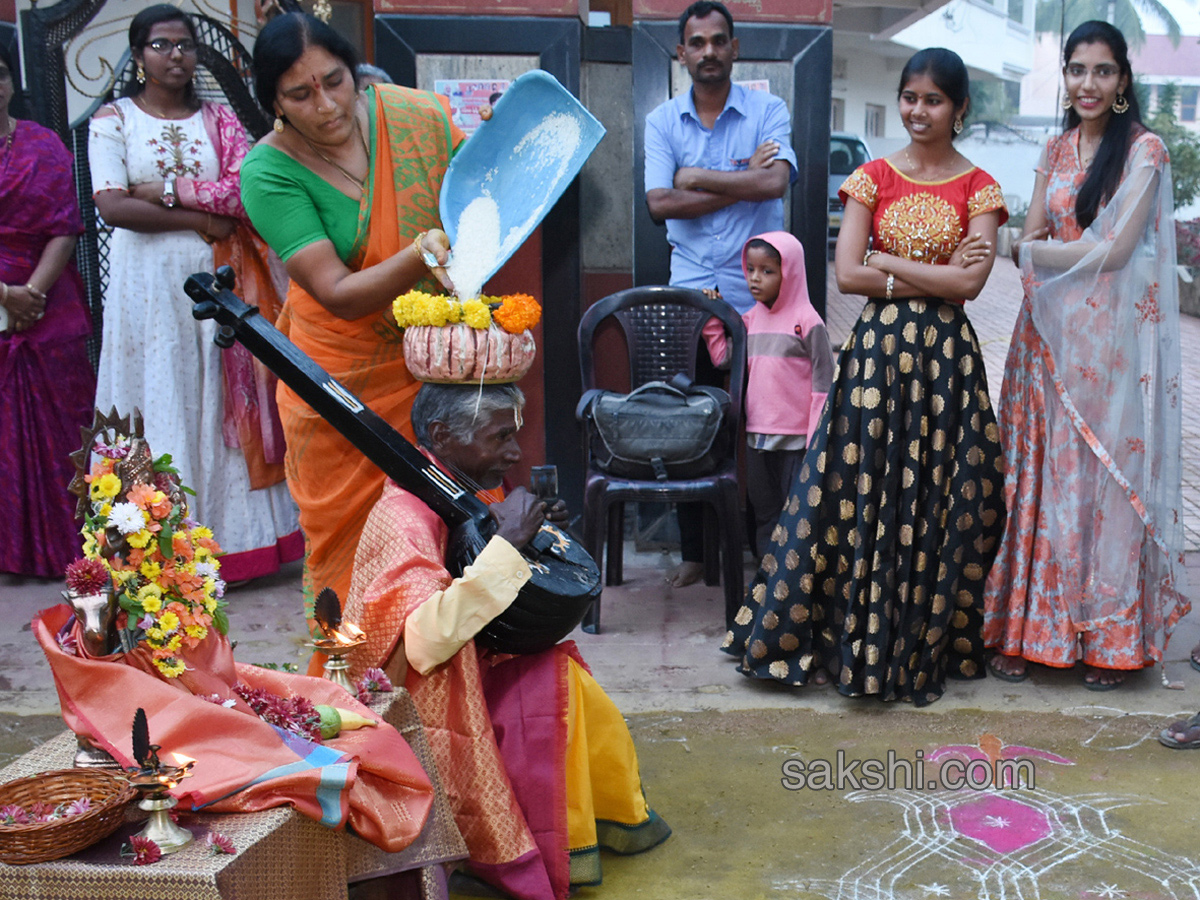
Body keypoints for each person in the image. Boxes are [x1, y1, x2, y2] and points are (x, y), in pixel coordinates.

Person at [722, 47, 1008, 706]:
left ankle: (916, 641)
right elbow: (846, 273)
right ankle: (847, 639)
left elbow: (970, 283)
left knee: (940, 498)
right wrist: (926, 274)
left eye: (933, 100)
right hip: (876, 362)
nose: (917, 110)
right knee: (856, 493)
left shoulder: (980, 188)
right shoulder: (872, 177)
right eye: (910, 97)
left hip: (945, 367)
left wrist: (887, 259)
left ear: (959, 109)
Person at [342, 383, 671, 900]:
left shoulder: (454, 485)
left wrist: (538, 539)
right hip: (417, 704)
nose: (515, 452)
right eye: (500, 437)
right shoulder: (405, 515)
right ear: (442, 435)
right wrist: (506, 546)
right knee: (548, 694)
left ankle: (593, 825)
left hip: (467, 666)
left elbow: (470, 572)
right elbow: (422, 645)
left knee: (564, 680)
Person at [983, 21, 1188, 691]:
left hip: (1106, 351)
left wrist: (1030, 250)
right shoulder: (1055, 146)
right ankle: (1028, 632)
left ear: (1122, 80)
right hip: (1043, 337)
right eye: (1077, 70)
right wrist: (1030, 245)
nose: (1088, 83)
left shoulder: (1146, 151)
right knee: (1038, 482)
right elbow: (1036, 226)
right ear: (1065, 77)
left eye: (1102, 71)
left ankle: (1108, 641)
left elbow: (1116, 251)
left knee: (1100, 489)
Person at [240, 13, 462, 621]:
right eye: (300, 94)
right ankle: (355, 700)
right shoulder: (267, 172)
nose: (327, 105)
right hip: (337, 389)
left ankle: (455, 702)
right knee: (354, 563)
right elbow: (336, 290)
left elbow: (480, 189)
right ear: (274, 102)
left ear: (356, 74)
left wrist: (500, 142)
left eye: (335, 81)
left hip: (431, 366)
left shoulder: (413, 118)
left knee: (450, 553)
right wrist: (419, 252)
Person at [88, 4, 299, 582]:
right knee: (156, 394)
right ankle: (154, 550)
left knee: (215, 397)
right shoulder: (112, 120)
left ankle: (235, 547)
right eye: (160, 45)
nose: (175, 54)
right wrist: (199, 221)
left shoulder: (221, 122)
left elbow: (240, 194)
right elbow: (112, 205)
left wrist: (171, 189)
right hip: (146, 288)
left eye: (185, 45)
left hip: (218, 280)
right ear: (137, 57)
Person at [643, 0, 797, 586]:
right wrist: (742, 182)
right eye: (696, 42)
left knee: (766, 422)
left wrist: (697, 177)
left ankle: (767, 546)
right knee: (690, 422)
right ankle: (695, 554)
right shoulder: (663, 122)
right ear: (682, 53)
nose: (708, 51)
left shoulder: (767, 109)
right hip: (691, 299)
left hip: (763, 298)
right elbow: (659, 204)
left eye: (718, 41)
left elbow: (776, 180)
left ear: (735, 48)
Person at [0, 43, 97, 578]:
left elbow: (65, 225)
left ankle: (71, 547)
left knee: (63, 426)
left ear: (12, 82)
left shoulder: (43, 144)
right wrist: (4, 294)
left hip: (48, 297)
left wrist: (30, 293)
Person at [701, 231, 834, 558]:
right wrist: (712, 317)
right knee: (765, 514)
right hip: (757, 438)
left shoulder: (808, 322)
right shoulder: (749, 321)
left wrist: (816, 437)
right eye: (750, 270)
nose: (755, 278)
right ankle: (766, 581)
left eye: (767, 271)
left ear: (789, 272)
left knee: (798, 514)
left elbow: (824, 382)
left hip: (796, 443)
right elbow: (723, 358)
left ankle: (796, 585)